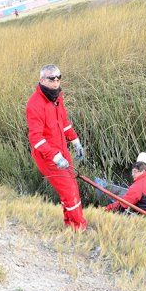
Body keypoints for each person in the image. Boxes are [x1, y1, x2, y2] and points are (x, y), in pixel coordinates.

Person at [26, 64, 87, 231]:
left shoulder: (57, 98)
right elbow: (35, 138)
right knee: (68, 190)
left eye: (58, 78)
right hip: (47, 156)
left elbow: (64, 123)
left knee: (73, 187)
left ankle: (71, 223)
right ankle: (78, 228)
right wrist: (55, 156)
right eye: (51, 79)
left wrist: (75, 141)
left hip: (62, 150)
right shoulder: (35, 104)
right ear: (42, 80)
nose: (56, 82)